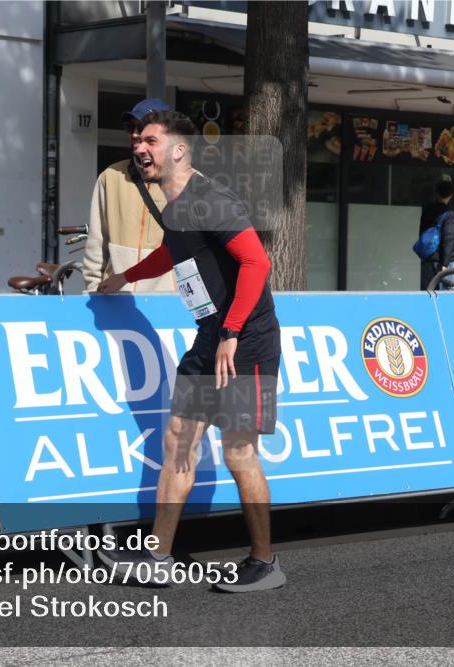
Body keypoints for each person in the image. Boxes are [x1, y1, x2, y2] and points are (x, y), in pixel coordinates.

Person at [96, 110, 285, 593]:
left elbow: (256, 261)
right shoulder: (175, 204)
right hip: (211, 336)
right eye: (137, 140)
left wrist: (232, 331)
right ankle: (158, 555)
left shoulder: (209, 198)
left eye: (151, 141)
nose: (140, 148)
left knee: (239, 452)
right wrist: (124, 277)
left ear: (178, 150)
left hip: (246, 342)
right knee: (178, 440)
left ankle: (265, 562)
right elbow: (173, 254)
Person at [82, 98, 176, 293]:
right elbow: (96, 245)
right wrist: (93, 293)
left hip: (170, 305)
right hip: (116, 300)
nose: (134, 133)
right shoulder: (111, 177)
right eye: (130, 127)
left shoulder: (189, 183)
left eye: (141, 127)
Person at [419, 179, 454, 290]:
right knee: (447, 299)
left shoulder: (427, 211)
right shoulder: (450, 214)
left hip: (428, 259)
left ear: (436, 193)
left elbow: (422, 234)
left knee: (428, 295)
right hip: (443, 262)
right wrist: (445, 264)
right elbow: (449, 239)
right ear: (451, 195)